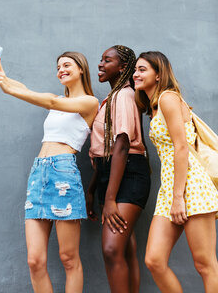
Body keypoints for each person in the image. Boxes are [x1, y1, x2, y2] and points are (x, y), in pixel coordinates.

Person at [0, 51, 99, 293]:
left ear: (81, 69)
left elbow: (52, 102)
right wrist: (2, 77)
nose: (61, 70)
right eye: (58, 67)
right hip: (39, 174)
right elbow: (29, 90)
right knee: (34, 261)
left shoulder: (89, 102)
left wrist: (9, 88)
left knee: (68, 258)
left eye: (67, 65)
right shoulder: (56, 99)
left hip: (63, 174)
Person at [133, 51, 218, 293]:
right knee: (154, 260)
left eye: (142, 70)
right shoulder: (154, 105)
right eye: (135, 70)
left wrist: (178, 196)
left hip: (190, 185)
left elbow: (182, 148)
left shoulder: (168, 98)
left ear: (158, 75)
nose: (136, 74)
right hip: (170, 188)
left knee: (205, 264)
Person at [86, 45, 151, 293]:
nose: (100, 64)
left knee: (112, 249)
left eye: (107, 60)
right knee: (124, 248)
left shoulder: (123, 95)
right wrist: (94, 189)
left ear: (123, 67)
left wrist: (110, 198)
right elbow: (105, 151)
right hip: (112, 175)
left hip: (128, 175)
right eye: (100, 59)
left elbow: (121, 145)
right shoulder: (112, 98)